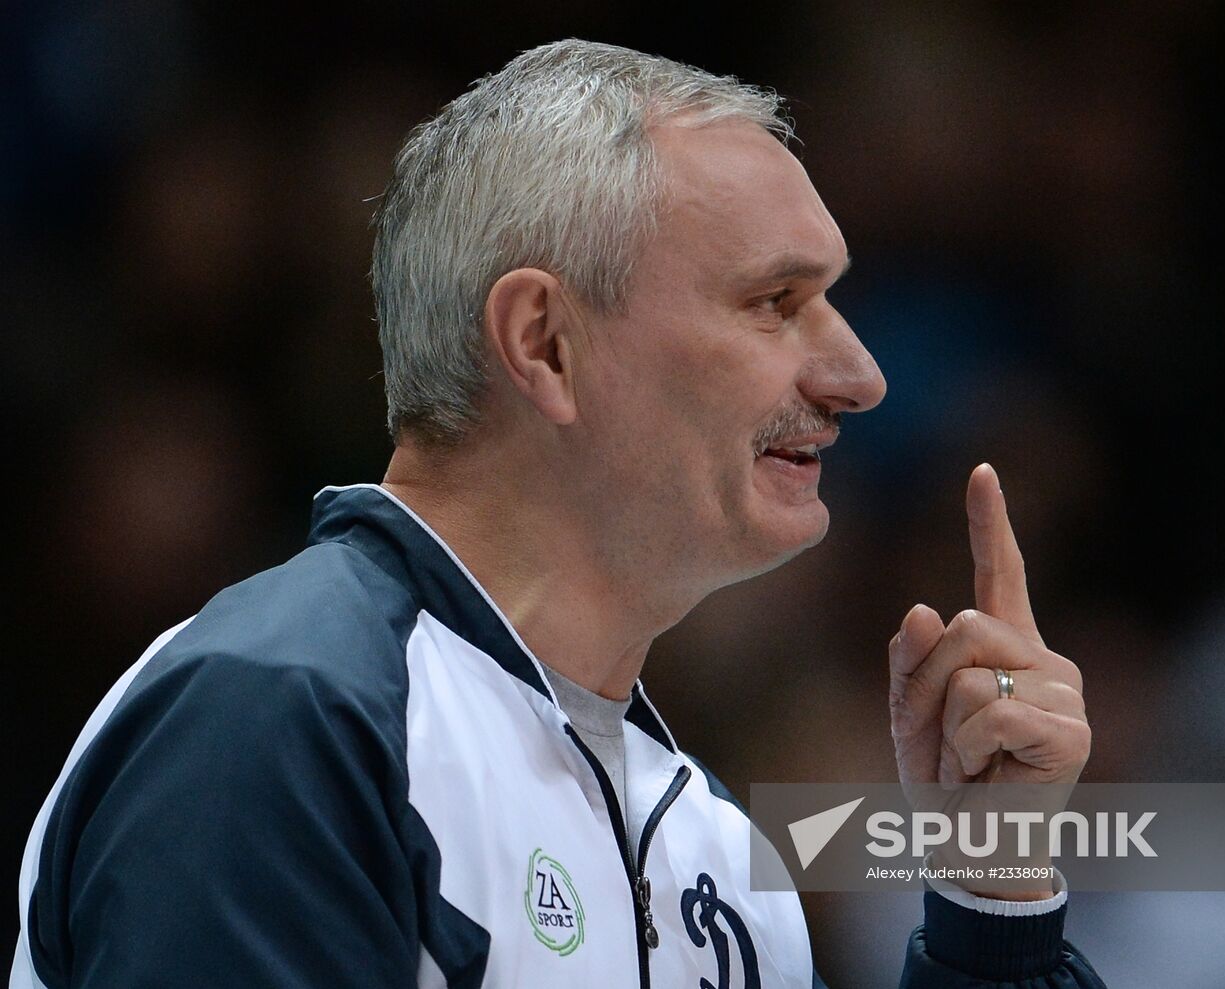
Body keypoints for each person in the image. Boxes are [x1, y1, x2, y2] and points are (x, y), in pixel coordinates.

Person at [12, 40, 1101, 988]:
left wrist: (989, 896)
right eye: (777, 302)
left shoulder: (715, 851)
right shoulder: (283, 712)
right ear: (543, 342)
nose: (858, 374)